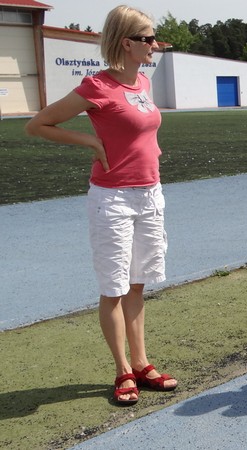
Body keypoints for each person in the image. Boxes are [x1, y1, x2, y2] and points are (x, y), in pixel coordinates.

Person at [24, 5, 176, 406]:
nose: (155, 45)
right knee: (114, 287)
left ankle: (142, 364)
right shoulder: (97, 86)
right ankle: (122, 369)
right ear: (126, 43)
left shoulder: (143, 82)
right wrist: (90, 141)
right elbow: (38, 124)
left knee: (138, 283)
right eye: (147, 39)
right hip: (113, 199)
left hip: (150, 194)